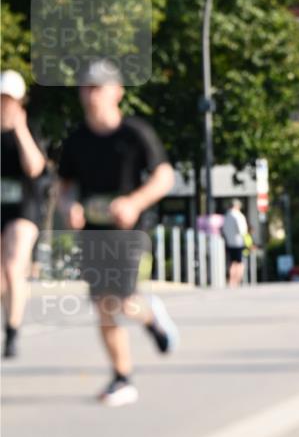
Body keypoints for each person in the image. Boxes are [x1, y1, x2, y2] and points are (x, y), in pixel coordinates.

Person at [57, 59, 178, 406]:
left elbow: (163, 176)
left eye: (98, 87)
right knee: (102, 304)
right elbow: (65, 186)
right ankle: (122, 378)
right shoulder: (76, 140)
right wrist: (70, 207)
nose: (91, 95)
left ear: (117, 91)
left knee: (122, 301)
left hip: (130, 232)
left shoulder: (135, 134)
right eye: (86, 88)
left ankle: (151, 317)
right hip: (93, 233)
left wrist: (135, 202)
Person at [1, 70, 47, 358]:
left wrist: (19, 129)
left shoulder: (29, 131)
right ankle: (10, 319)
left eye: (9, 100)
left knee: (14, 262)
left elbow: (34, 167)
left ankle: (13, 332)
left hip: (24, 208)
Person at [222, 198, 248, 287]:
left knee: (232, 262)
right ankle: (237, 280)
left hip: (229, 242)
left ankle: (231, 281)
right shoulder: (238, 216)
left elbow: (224, 230)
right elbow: (242, 230)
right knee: (239, 263)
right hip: (239, 242)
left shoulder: (226, 216)